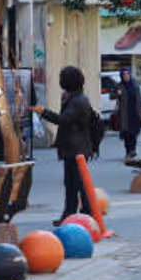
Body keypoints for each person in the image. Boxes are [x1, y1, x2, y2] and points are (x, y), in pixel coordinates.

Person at [30, 66, 94, 225]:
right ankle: (70, 214)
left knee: (79, 183)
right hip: (74, 147)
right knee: (71, 184)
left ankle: (86, 214)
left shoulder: (77, 101)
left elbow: (63, 120)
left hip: (76, 148)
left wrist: (43, 111)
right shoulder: (75, 98)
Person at [113, 67, 141, 159]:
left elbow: (140, 99)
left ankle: (133, 150)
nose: (126, 76)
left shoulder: (135, 85)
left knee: (134, 132)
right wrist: (117, 94)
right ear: (121, 76)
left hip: (135, 112)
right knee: (127, 133)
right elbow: (111, 96)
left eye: (127, 74)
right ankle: (128, 151)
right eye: (124, 75)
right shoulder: (119, 86)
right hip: (124, 114)